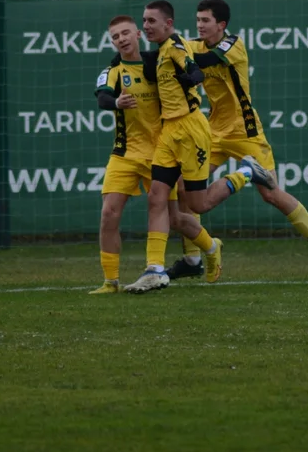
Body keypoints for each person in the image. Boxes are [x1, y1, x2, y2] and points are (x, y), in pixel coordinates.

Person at [168, 0, 308, 283]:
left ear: (221, 25)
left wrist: (177, 51)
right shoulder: (193, 44)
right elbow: (179, 57)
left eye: (205, 21)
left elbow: (202, 61)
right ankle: (193, 260)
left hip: (245, 129)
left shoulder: (232, 45)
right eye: (198, 20)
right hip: (213, 131)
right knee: (182, 187)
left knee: (272, 194)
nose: (199, 25)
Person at [122, 0, 276, 295]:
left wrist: (191, 75)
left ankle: (245, 174)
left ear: (168, 24)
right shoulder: (161, 51)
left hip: (192, 129)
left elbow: (195, 71)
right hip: (169, 131)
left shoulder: (178, 46)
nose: (146, 26)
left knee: (198, 205)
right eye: (143, 21)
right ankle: (154, 270)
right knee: (157, 197)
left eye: (151, 21)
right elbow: (146, 65)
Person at [90, 15, 225, 294]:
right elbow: (102, 96)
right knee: (108, 214)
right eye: (115, 37)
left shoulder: (158, 62)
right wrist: (116, 102)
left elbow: (187, 59)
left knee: (176, 218)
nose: (122, 39)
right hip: (124, 154)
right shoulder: (113, 70)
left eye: (126, 33)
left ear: (137, 34)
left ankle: (209, 249)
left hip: (161, 152)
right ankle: (110, 282)